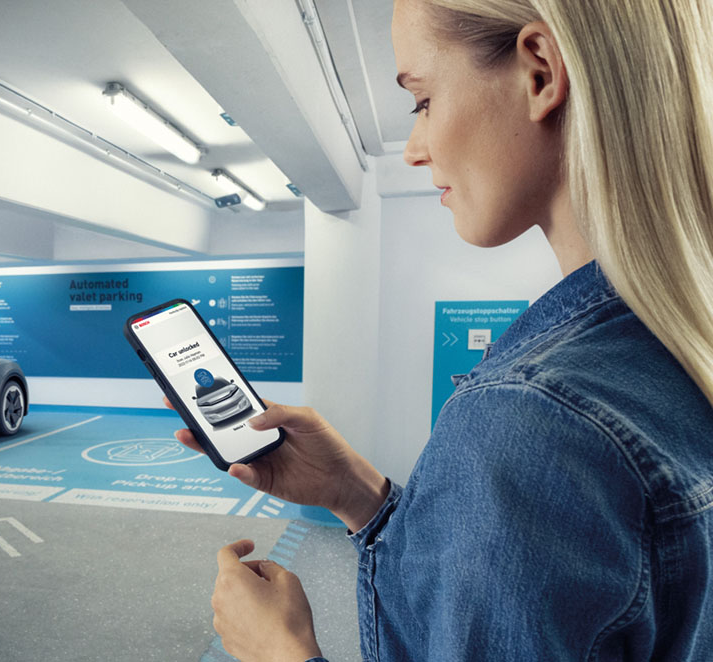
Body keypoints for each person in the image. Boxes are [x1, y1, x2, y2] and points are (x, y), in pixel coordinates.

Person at [173, 0, 713, 660]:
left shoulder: (532, 422)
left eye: (420, 101)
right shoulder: (674, 353)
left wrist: (278, 650)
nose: (415, 150)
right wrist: (355, 494)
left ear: (539, 72)